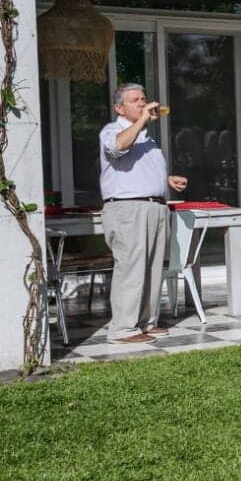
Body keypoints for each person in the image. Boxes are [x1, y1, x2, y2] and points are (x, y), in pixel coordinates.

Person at [97, 83, 187, 343]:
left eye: (143, 99)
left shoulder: (147, 138)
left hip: (153, 207)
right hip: (128, 209)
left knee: (152, 268)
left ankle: (145, 323)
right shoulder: (113, 130)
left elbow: (134, 169)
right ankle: (123, 329)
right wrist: (143, 120)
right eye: (135, 100)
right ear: (119, 107)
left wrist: (166, 179)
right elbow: (116, 148)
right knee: (131, 268)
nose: (142, 103)